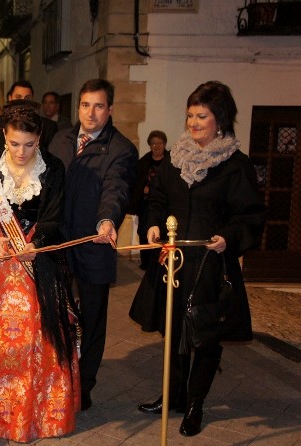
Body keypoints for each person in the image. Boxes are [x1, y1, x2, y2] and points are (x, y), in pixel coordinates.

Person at [130, 81, 266, 437]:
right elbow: (157, 200)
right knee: (173, 330)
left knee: (205, 334)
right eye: (190, 115)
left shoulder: (235, 165)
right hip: (174, 263)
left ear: (219, 119)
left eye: (201, 116)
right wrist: (154, 224)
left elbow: (250, 215)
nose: (193, 122)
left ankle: (194, 404)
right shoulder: (175, 159)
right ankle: (173, 395)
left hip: (210, 264)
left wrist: (229, 238)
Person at [0, 104, 80, 442]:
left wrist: (37, 242)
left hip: (36, 266)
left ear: (40, 139)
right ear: (4, 136)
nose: (21, 152)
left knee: (40, 338)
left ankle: (39, 414)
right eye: (14, 144)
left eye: (29, 144)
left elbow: (55, 216)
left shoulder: (52, 168)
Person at [49, 79, 138, 410]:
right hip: (57, 244)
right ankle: (57, 376)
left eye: (99, 106)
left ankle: (83, 386)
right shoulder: (60, 140)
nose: (91, 113)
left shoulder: (121, 149)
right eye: (85, 105)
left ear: (110, 109)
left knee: (92, 319)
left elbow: (116, 190)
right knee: (56, 313)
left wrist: (107, 220)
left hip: (94, 244)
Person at [0, 80, 58, 157]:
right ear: (10, 98)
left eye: (27, 98)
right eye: (18, 97)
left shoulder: (47, 126)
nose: (22, 101)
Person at [129, 130, 168, 270]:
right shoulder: (143, 162)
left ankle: (160, 263)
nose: (157, 146)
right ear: (150, 145)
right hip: (145, 205)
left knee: (162, 233)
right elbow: (136, 183)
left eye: (160, 143)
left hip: (164, 205)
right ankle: (146, 262)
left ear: (165, 144)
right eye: (153, 143)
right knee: (144, 232)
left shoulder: (171, 162)